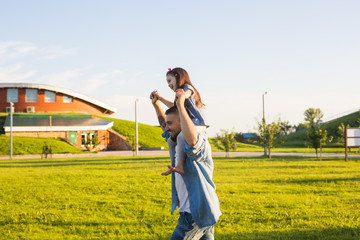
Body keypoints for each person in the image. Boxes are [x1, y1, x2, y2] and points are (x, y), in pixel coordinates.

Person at [151, 88, 221, 240]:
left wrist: (181, 105)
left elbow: (193, 143)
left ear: (182, 122)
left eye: (170, 123)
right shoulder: (177, 142)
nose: (166, 127)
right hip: (201, 212)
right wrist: (156, 105)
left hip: (194, 215)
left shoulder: (199, 142)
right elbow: (166, 128)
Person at [151, 67, 207, 176]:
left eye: (169, 81)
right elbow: (174, 106)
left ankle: (180, 165)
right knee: (171, 141)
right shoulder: (178, 95)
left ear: (178, 77)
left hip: (198, 124)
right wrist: (159, 99)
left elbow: (187, 93)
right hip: (190, 124)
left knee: (181, 136)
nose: (168, 85)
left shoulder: (187, 88)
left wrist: (182, 96)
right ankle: (175, 163)